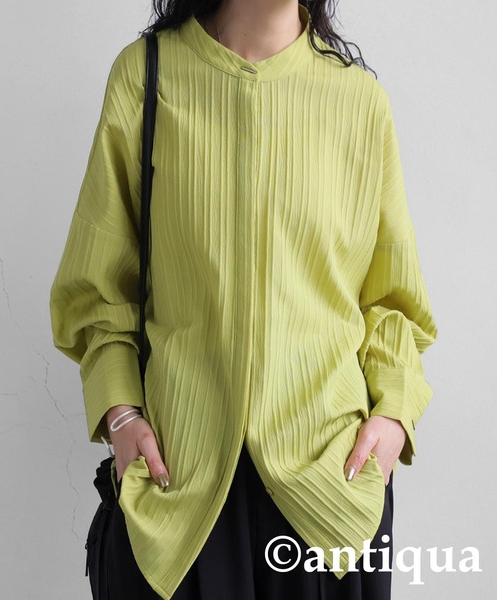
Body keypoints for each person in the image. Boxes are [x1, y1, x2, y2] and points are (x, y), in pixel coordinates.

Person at [49, 1, 438, 598]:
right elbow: (98, 286)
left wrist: (392, 416)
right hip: (175, 490)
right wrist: (120, 413)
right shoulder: (146, 75)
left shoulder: (359, 101)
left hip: (331, 493)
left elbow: (391, 301)